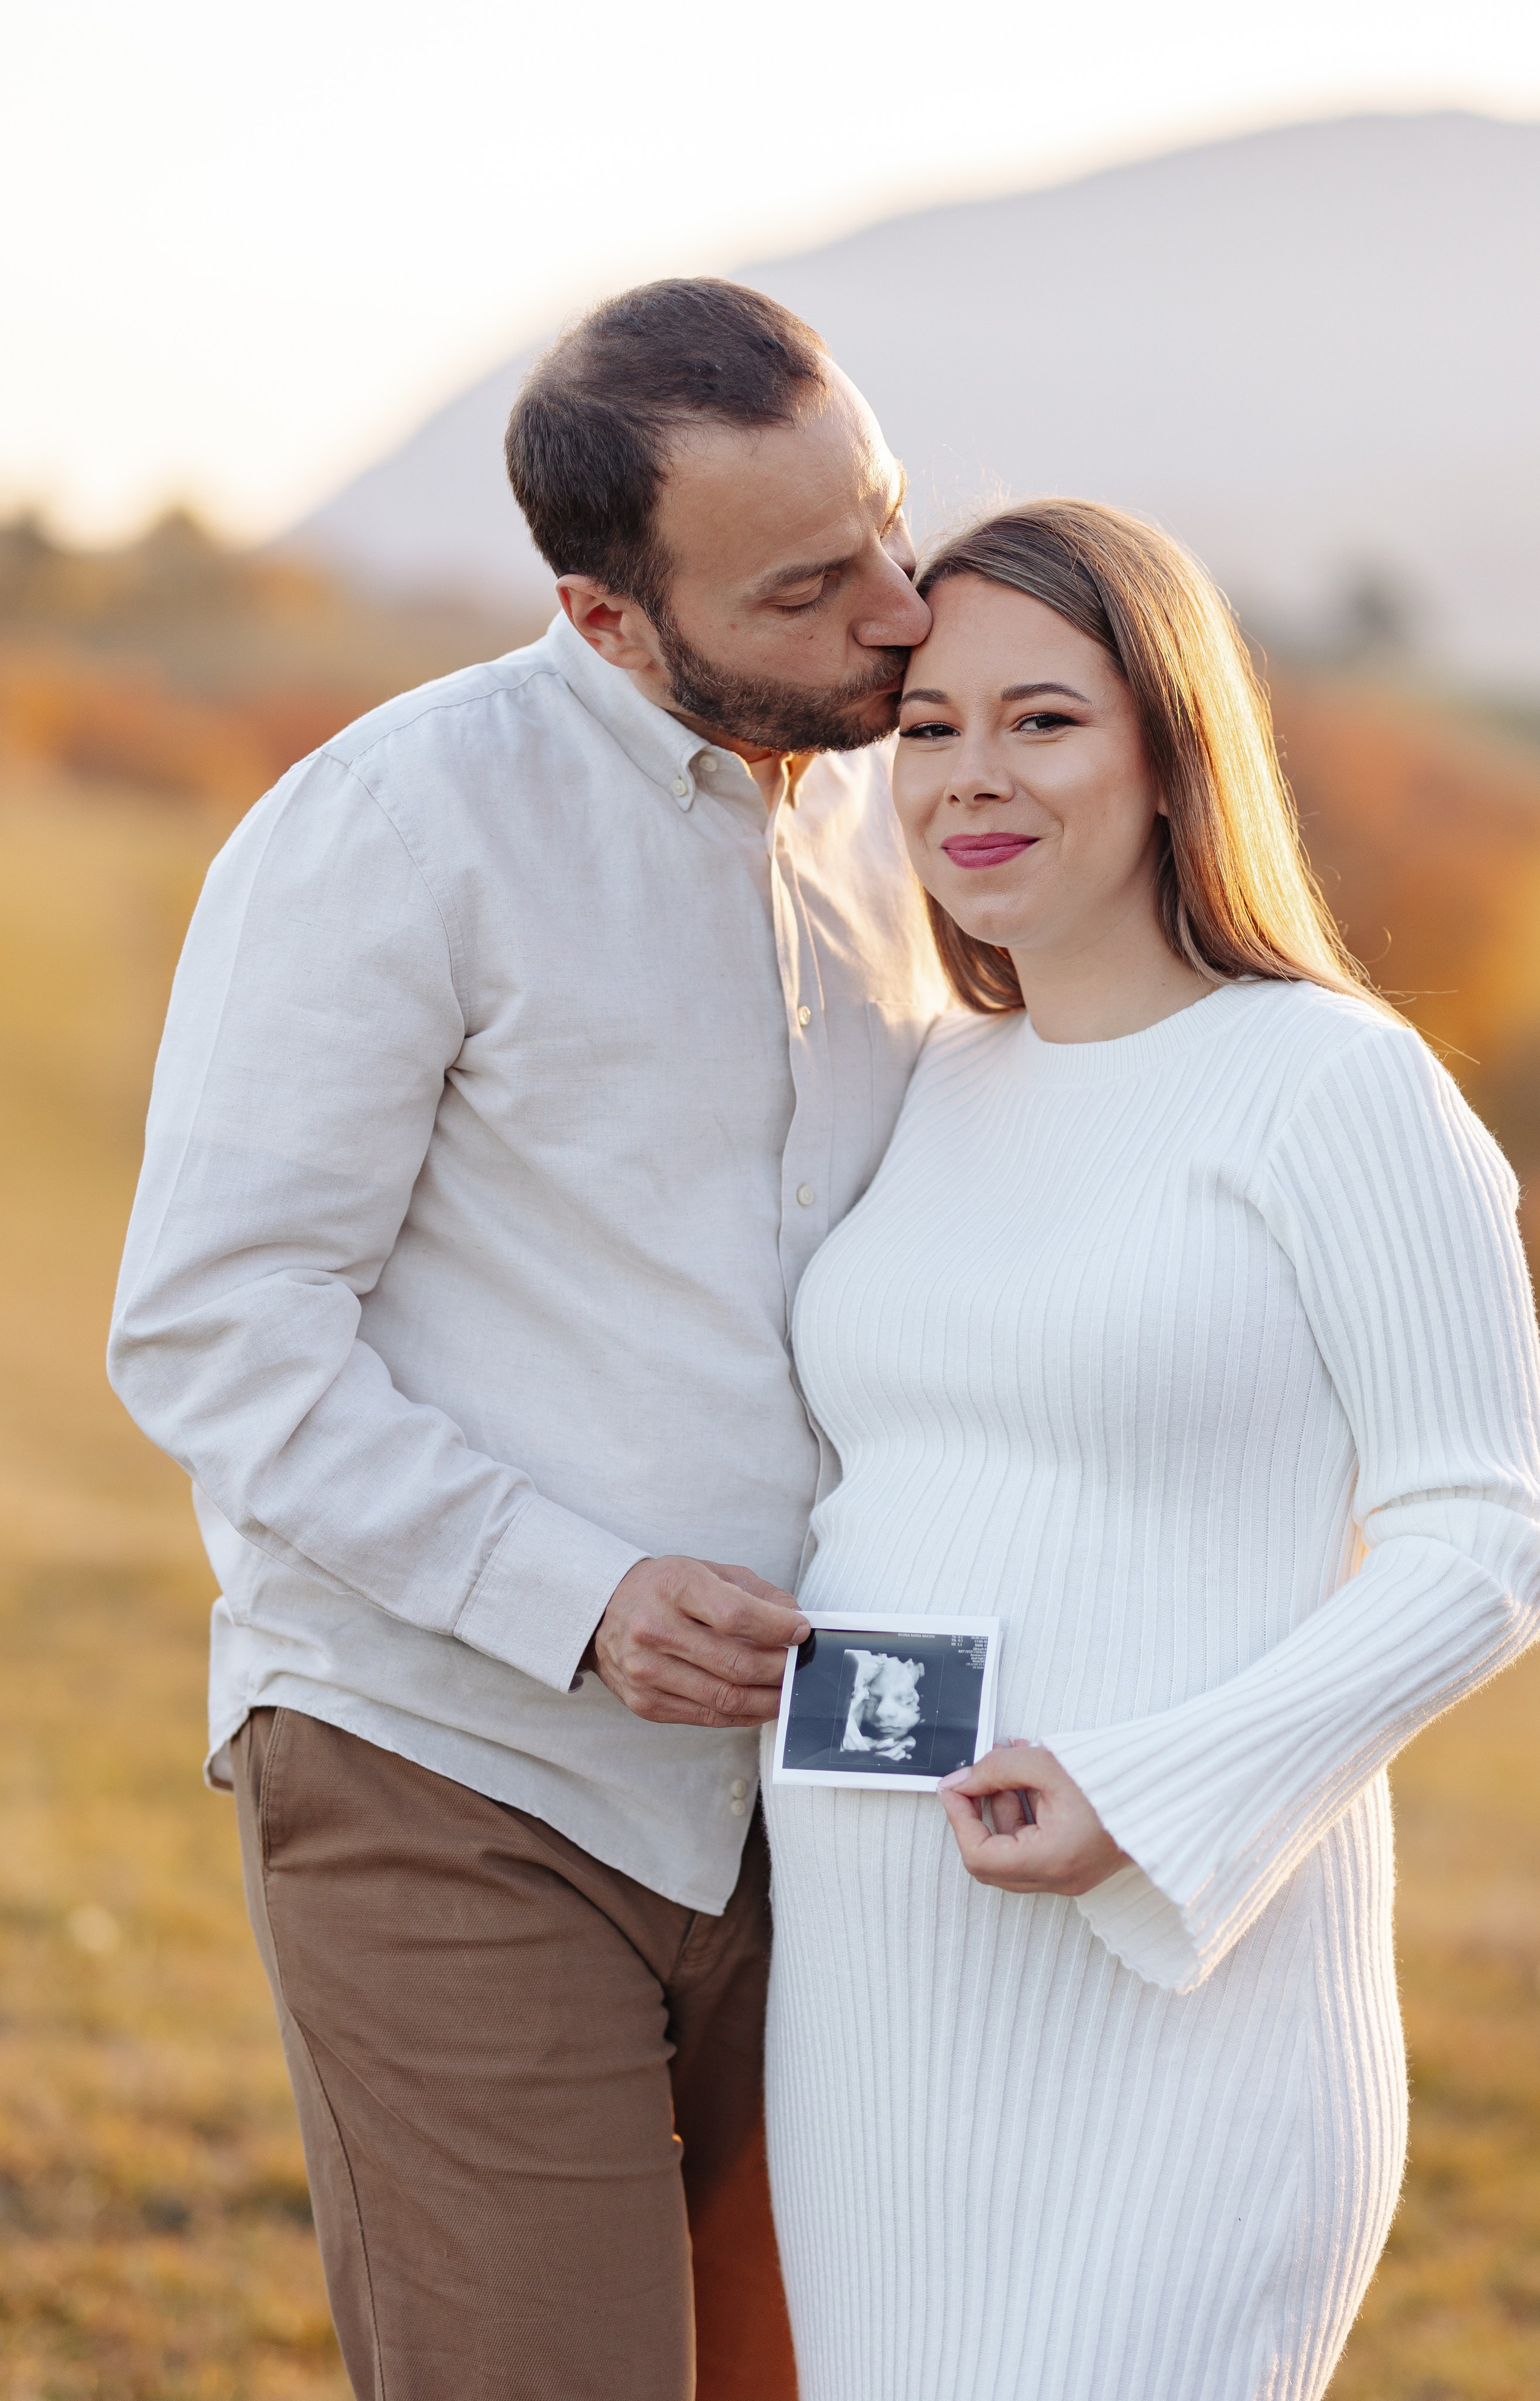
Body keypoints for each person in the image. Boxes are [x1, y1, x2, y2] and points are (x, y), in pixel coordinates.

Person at [108, 278, 947, 2401]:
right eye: (809, 584)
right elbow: (214, 1328)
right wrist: (577, 1601)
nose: (903, 607)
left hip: (820, 1806)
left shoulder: (903, 813)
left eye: (890, 524)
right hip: (454, 1771)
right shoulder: (392, 832)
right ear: (603, 618)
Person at [762, 499, 1540, 2401]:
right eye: (930, 725)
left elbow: (1491, 1537)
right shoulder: (929, 1090)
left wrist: (1152, 1790)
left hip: (1175, 1997)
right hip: (877, 2014)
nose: (972, 776)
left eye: (1042, 721)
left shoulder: (1335, 1085)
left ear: (1169, 754)